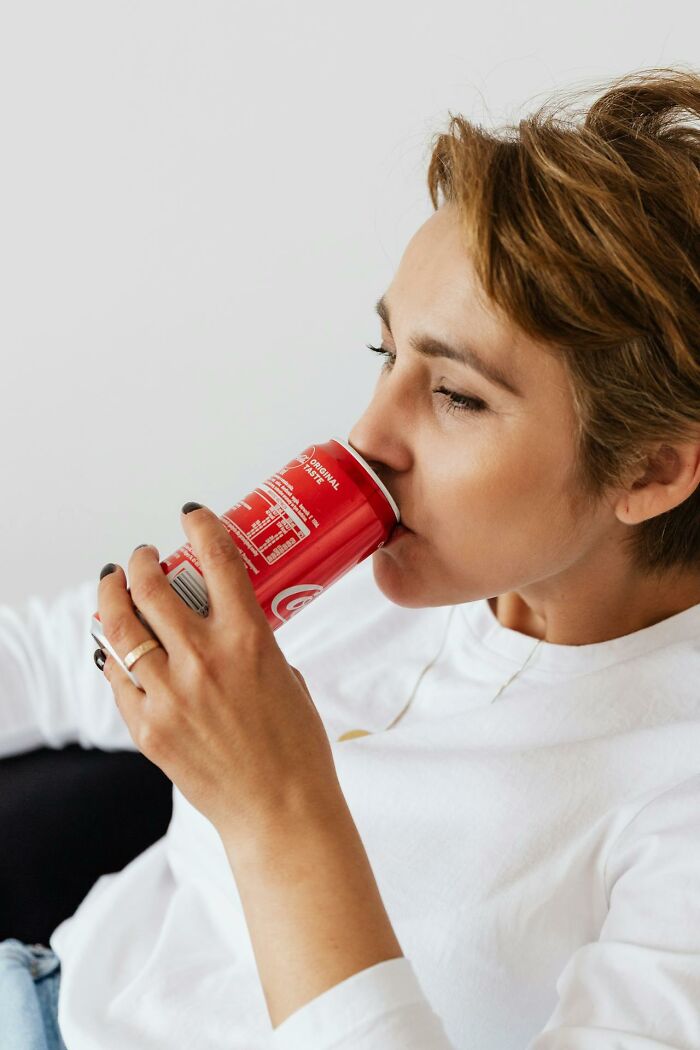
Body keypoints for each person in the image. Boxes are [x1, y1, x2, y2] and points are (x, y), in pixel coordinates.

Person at [1, 63, 700, 1049]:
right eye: (386, 356)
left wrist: (275, 813)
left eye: (456, 396)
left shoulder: (677, 793)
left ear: (654, 468)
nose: (365, 436)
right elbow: (44, 658)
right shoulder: (375, 569)